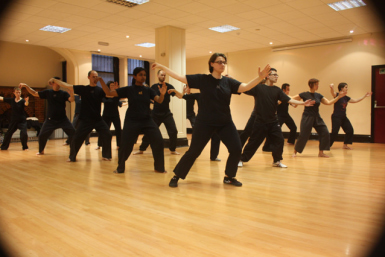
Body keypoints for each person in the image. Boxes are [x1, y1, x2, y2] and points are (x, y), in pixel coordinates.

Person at [152, 53, 271, 188]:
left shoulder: (228, 82)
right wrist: (163, 67)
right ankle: (177, 175)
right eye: (219, 62)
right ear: (211, 64)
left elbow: (245, 87)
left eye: (224, 62)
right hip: (205, 123)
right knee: (194, 151)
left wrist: (260, 78)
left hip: (225, 122)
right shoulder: (203, 79)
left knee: (236, 148)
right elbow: (181, 77)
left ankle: (229, 177)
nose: (222, 64)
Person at [239, 69, 314, 168]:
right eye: (274, 75)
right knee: (254, 142)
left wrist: (303, 103)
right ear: (267, 76)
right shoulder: (258, 88)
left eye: (277, 75)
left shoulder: (277, 90)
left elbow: (289, 99)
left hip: (273, 121)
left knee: (279, 140)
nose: (277, 76)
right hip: (260, 121)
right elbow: (244, 88)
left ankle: (277, 161)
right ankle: (241, 159)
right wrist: (232, 79)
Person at [100, 67, 167, 174]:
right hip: (132, 120)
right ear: (134, 76)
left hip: (147, 120)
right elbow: (109, 92)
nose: (143, 77)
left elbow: (159, 100)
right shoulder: (129, 89)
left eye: (144, 75)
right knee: (126, 145)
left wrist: (162, 94)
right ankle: (120, 168)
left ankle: (159, 168)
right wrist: (100, 80)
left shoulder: (148, 90)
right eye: (140, 75)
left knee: (158, 141)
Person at [49, 70, 112, 162]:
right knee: (77, 137)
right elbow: (67, 85)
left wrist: (102, 80)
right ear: (88, 77)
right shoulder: (83, 89)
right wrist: (55, 80)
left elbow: (108, 93)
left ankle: (106, 155)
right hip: (85, 119)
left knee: (108, 134)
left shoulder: (100, 90)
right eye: (93, 76)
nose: (95, 78)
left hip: (98, 119)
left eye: (96, 76)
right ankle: (72, 157)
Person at [291, 78, 347, 158]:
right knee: (303, 135)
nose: (318, 86)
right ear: (311, 85)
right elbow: (291, 99)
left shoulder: (318, 95)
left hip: (317, 117)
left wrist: (338, 97)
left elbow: (328, 102)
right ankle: (295, 152)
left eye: (318, 84)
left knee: (325, 132)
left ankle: (321, 152)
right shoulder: (304, 94)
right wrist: (298, 103)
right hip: (307, 117)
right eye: (316, 84)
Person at [19, 81, 75, 155]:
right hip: (50, 120)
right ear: (52, 84)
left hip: (63, 119)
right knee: (42, 135)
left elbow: (71, 100)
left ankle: (73, 153)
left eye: (59, 83)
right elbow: (34, 93)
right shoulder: (48, 92)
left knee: (73, 133)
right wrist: (26, 86)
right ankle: (41, 150)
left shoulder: (63, 93)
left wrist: (71, 93)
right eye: (56, 83)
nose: (58, 85)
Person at [168, 85, 222, 161]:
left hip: (212, 120)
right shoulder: (198, 95)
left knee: (216, 136)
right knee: (197, 136)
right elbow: (183, 96)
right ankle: (192, 154)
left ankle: (213, 156)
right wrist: (175, 90)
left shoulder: (213, 96)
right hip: (202, 120)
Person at [134, 70, 180, 155]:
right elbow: (149, 98)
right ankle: (141, 149)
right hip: (155, 114)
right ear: (158, 75)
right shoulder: (154, 87)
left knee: (173, 131)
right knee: (149, 132)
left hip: (166, 113)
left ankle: (173, 150)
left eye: (165, 75)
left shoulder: (169, 86)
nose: (163, 76)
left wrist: (175, 90)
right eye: (162, 75)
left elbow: (179, 96)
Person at [329, 82, 372, 149]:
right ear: (341, 88)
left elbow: (355, 100)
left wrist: (364, 96)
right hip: (336, 117)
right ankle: (326, 145)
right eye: (346, 87)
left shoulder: (346, 98)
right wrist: (332, 88)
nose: (347, 88)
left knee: (350, 130)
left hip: (343, 117)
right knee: (334, 132)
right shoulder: (337, 95)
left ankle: (345, 145)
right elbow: (332, 93)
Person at [262, 83, 298, 151]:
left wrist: (297, 101)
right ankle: (267, 146)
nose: (288, 91)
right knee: (274, 130)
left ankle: (290, 141)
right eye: (288, 90)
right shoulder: (279, 96)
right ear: (283, 90)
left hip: (286, 115)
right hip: (279, 116)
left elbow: (294, 105)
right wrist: (283, 99)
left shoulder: (287, 97)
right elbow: (276, 103)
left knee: (294, 127)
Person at [95, 81, 123, 150]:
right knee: (103, 130)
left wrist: (117, 92)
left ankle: (119, 145)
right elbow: (107, 101)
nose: (113, 87)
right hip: (106, 115)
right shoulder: (104, 94)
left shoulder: (116, 95)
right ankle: (99, 145)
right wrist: (114, 97)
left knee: (118, 130)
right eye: (111, 85)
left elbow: (117, 102)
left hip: (115, 115)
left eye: (113, 85)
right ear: (108, 87)